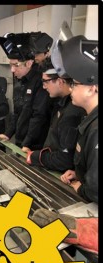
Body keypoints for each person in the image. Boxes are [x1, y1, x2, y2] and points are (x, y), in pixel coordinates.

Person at [54, 35, 98, 204]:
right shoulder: (91, 118)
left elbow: (95, 190)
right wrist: (79, 174)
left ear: (91, 89)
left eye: (74, 83)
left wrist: (80, 186)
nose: (70, 88)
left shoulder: (96, 128)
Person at [27, 63, 85, 173]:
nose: (44, 86)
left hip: (61, 175)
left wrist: (36, 157)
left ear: (60, 81)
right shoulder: (62, 104)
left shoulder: (72, 113)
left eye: (46, 81)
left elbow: (65, 160)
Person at [0, 33, 51, 152]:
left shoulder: (40, 81)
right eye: (10, 65)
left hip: (35, 145)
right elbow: (17, 112)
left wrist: (27, 143)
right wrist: (8, 133)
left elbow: (38, 116)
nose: (12, 69)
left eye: (15, 65)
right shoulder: (19, 80)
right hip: (21, 141)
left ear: (29, 63)